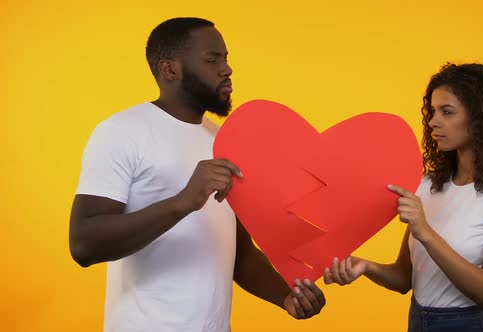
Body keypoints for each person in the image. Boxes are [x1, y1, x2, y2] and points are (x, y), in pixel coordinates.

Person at [69, 17, 325, 332]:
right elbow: (84, 243)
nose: (227, 69)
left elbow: (239, 253)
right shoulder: (122, 131)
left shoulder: (225, 142)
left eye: (226, 58)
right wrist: (183, 202)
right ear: (169, 69)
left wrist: (286, 296)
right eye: (212, 59)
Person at [324, 63, 483, 332]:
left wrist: (425, 231)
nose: (433, 121)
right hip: (419, 321)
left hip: (473, 325)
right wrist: (366, 266)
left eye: (446, 112)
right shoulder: (428, 185)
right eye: (433, 111)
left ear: (480, 118)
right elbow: (404, 279)